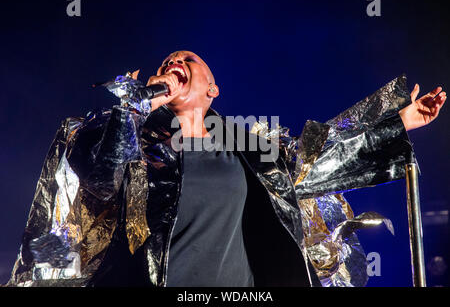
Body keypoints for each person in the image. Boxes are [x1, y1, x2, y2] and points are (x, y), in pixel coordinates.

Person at [6, 51, 446, 287]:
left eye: (187, 61)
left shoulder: (246, 146)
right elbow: (103, 178)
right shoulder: (137, 142)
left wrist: (400, 120)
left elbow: (316, 153)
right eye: (166, 64)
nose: (172, 64)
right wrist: (136, 104)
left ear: (212, 89)